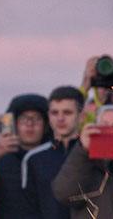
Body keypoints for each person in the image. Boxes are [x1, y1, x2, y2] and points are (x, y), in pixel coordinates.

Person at [23, 86, 85, 219]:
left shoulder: (92, 155)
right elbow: (29, 208)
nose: (60, 118)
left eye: (67, 112)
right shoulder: (34, 159)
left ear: (81, 116)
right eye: (54, 113)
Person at [0, 93, 50, 218]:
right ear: (14, 124)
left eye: (36, 118)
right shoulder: (0, 159)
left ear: (46, 125)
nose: (30, 124)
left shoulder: (55, 159)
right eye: (24, 118)